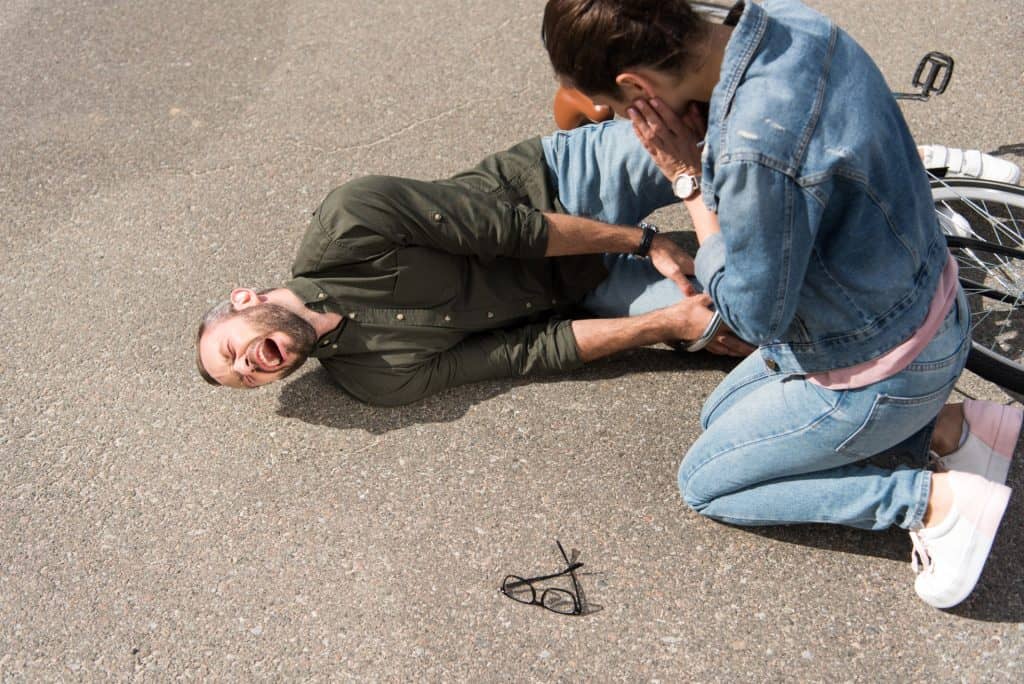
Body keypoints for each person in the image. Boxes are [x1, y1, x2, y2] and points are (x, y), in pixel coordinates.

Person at [541, 0, 1020, 608]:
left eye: (614, 106)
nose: (614, 117)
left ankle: (933, 504)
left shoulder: (751, 150)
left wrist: (688, 179)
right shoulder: (791, 22)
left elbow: (753, 315)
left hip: (878, 367)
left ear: (636, 85)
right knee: (718, 417)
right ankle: (957, 429)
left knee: (707, 484)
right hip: (928, 305)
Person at [195, 120, 751, 406]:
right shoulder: (376, 380)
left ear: (246, 300)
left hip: (554, 187)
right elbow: (527, 351)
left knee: (719, 143)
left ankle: (595, 117)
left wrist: (645, 241)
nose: (248, 367)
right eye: (244, 380)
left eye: (230, 351)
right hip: (579, 287)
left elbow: (516, 230)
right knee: (742, 319)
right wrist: (667, 325)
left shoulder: (349, 221)